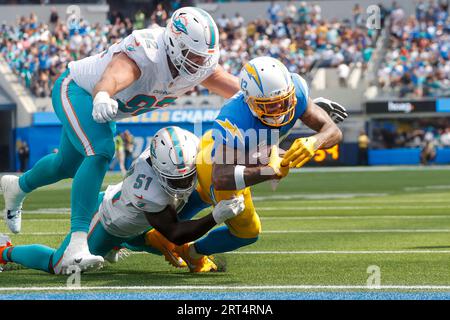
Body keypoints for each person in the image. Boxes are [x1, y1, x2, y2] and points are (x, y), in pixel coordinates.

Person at [0, 7, 240, 272]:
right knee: (101, 149)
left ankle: (17, 186)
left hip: (105, 105)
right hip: (80, 91)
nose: (198, 63)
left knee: (65, 165)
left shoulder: (196, 65)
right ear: (174, 44)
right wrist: (103, 93)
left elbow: (230, 86)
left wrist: (263, 95)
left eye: (202, 57)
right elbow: (117, 73)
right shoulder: (148, 50)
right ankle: (78, 241)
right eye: (192, 55)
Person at [142, 57, 344, 272]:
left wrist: (314, 142)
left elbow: (333, 131)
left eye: (283, 102)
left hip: (231, 152)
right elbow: (221, 177)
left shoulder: (297, 92)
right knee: (248, 232)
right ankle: (191, 253)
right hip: (218, 163)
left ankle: (154, 235)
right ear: (249, 101)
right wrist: (268, 171)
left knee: (197, 198)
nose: (279, 110)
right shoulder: (234, 118)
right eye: (269, 105)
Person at [0, 127, 244, 274]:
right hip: (107, 222)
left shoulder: (190, 150)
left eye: (187, 177)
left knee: (175, 251)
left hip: (136, 224)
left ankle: (122, 245)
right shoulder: (149, 189)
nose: (183, 184)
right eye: (175, 180)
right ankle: (5, 251)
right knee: (60, 266)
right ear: (158, 170)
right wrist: (215, 216)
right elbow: (176, 232)